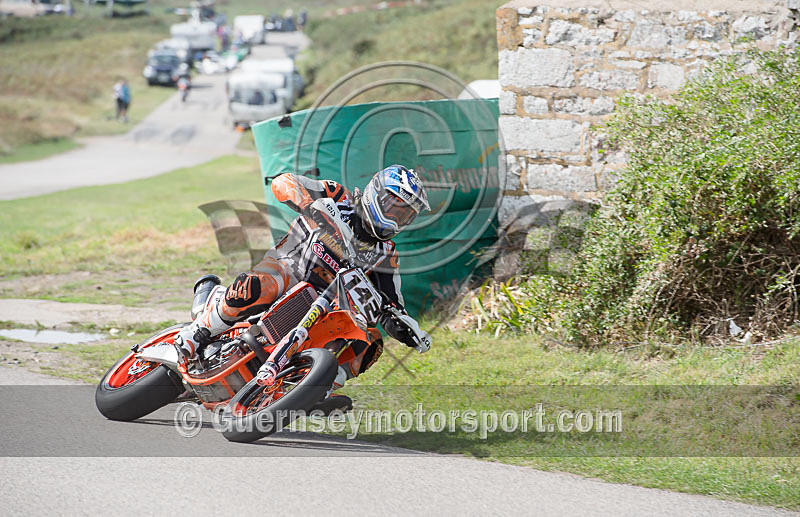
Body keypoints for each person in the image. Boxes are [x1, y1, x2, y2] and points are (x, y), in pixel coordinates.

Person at [174, 165, 432, 399]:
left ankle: (318, 388)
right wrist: (311, 207)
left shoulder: (386, 254)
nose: (396, 219)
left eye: (405, 215)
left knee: (372, 342)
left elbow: (390, 305)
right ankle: (196, 334)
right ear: (375, 194)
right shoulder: (337, 196)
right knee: (260, 285)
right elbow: (283, 182)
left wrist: (405, 329)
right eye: (394, 209)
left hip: (325, 307)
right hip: (287, 269)